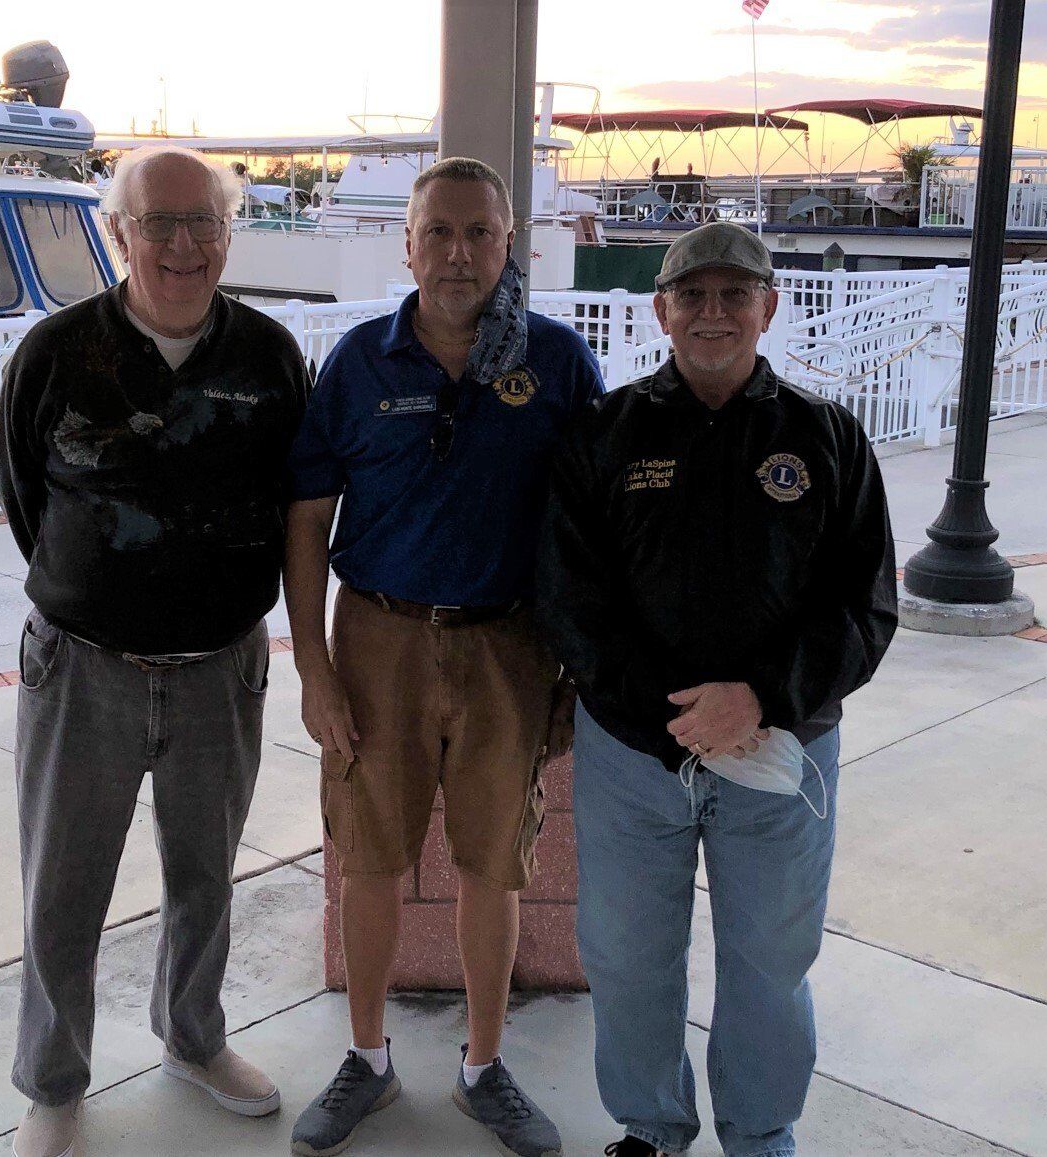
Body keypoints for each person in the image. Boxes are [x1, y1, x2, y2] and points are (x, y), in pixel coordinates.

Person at [537, 222, 897, 1157]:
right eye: (691, 294)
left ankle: (759, 1127)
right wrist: (675, 717)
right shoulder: (602, 434)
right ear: (661, 309)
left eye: (734, 294)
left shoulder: (825, 437)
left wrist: (761, 700)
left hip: (780, 755)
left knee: (770, 961)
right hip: (632, 756)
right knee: (626, 958)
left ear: (768, 307)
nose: (712, 312)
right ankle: (651, 1126)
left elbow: (865, 607)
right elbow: (570, 602)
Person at [0, 145, 309, 1157]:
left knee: (205, 875)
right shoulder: (55, 352)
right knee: (63, 884)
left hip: (220, 665)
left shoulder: (268, 356)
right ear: (117, 232)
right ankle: (52, 1081)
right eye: (158, 223)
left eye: (202, 223)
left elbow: (291, 502)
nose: (182, 244)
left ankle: (193, 1037)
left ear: (226, 233)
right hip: (82, 666)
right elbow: (24, 494)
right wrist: (99, 588)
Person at [284, 156, 603, 1157]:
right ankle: (368, 1057)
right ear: (406, 242)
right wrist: (312, 668)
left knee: (489, 865)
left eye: (479, 233)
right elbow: (304, 521)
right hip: (375, 633)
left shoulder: (555, 362)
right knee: (369, 856)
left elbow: (594, 523)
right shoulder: (356, 362)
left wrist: (577, 666)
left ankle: (482, 1064)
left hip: (506, 642)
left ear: (510, 245)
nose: (457, 253)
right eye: (438, 232)